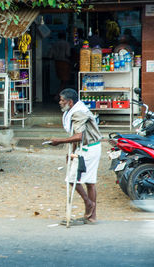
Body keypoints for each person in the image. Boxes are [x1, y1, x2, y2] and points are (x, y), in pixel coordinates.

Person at [49, 89, 102, 224]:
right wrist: (70, 153)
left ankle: (89, 204)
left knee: (72, 179)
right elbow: (75, 135)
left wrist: (58, 141)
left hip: (89, 148)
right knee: (89, 182)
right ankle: (91, 217)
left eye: (62, 100)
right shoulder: (71, 111)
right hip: (86, 147)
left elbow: (78, 136)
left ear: (70, 102)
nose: (60, 103)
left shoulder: (78, 112)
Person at [49, 32, 71, 99]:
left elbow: (50, 55)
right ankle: (58, 95)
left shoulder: (55, 44)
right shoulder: (66, 44)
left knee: (60, 80)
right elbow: (68, 54)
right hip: (64, 63)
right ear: (65, 37)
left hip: (57, 62)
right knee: (64, 80)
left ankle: (59, 94)